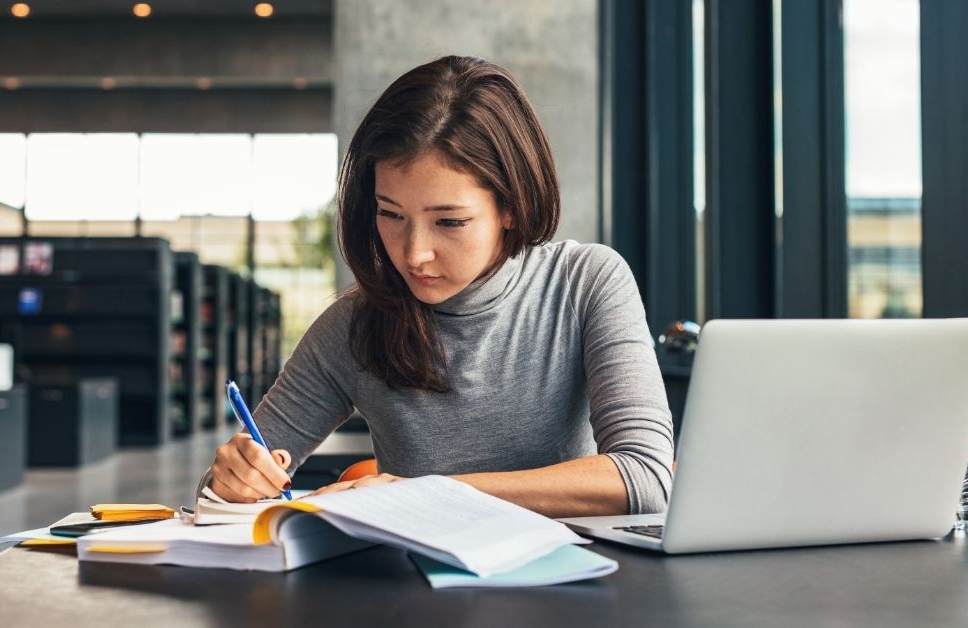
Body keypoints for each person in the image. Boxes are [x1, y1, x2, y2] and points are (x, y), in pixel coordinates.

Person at [205, 55, 673, 518]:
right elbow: (217, 495)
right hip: (416, 589)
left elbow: (645, 478)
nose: (414, 254)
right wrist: (232, 481)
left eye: (449, 221)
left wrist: (422, 493)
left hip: (575, 583)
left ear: (511, 206)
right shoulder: (353, 324)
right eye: (391, 215)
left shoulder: (585, 282)